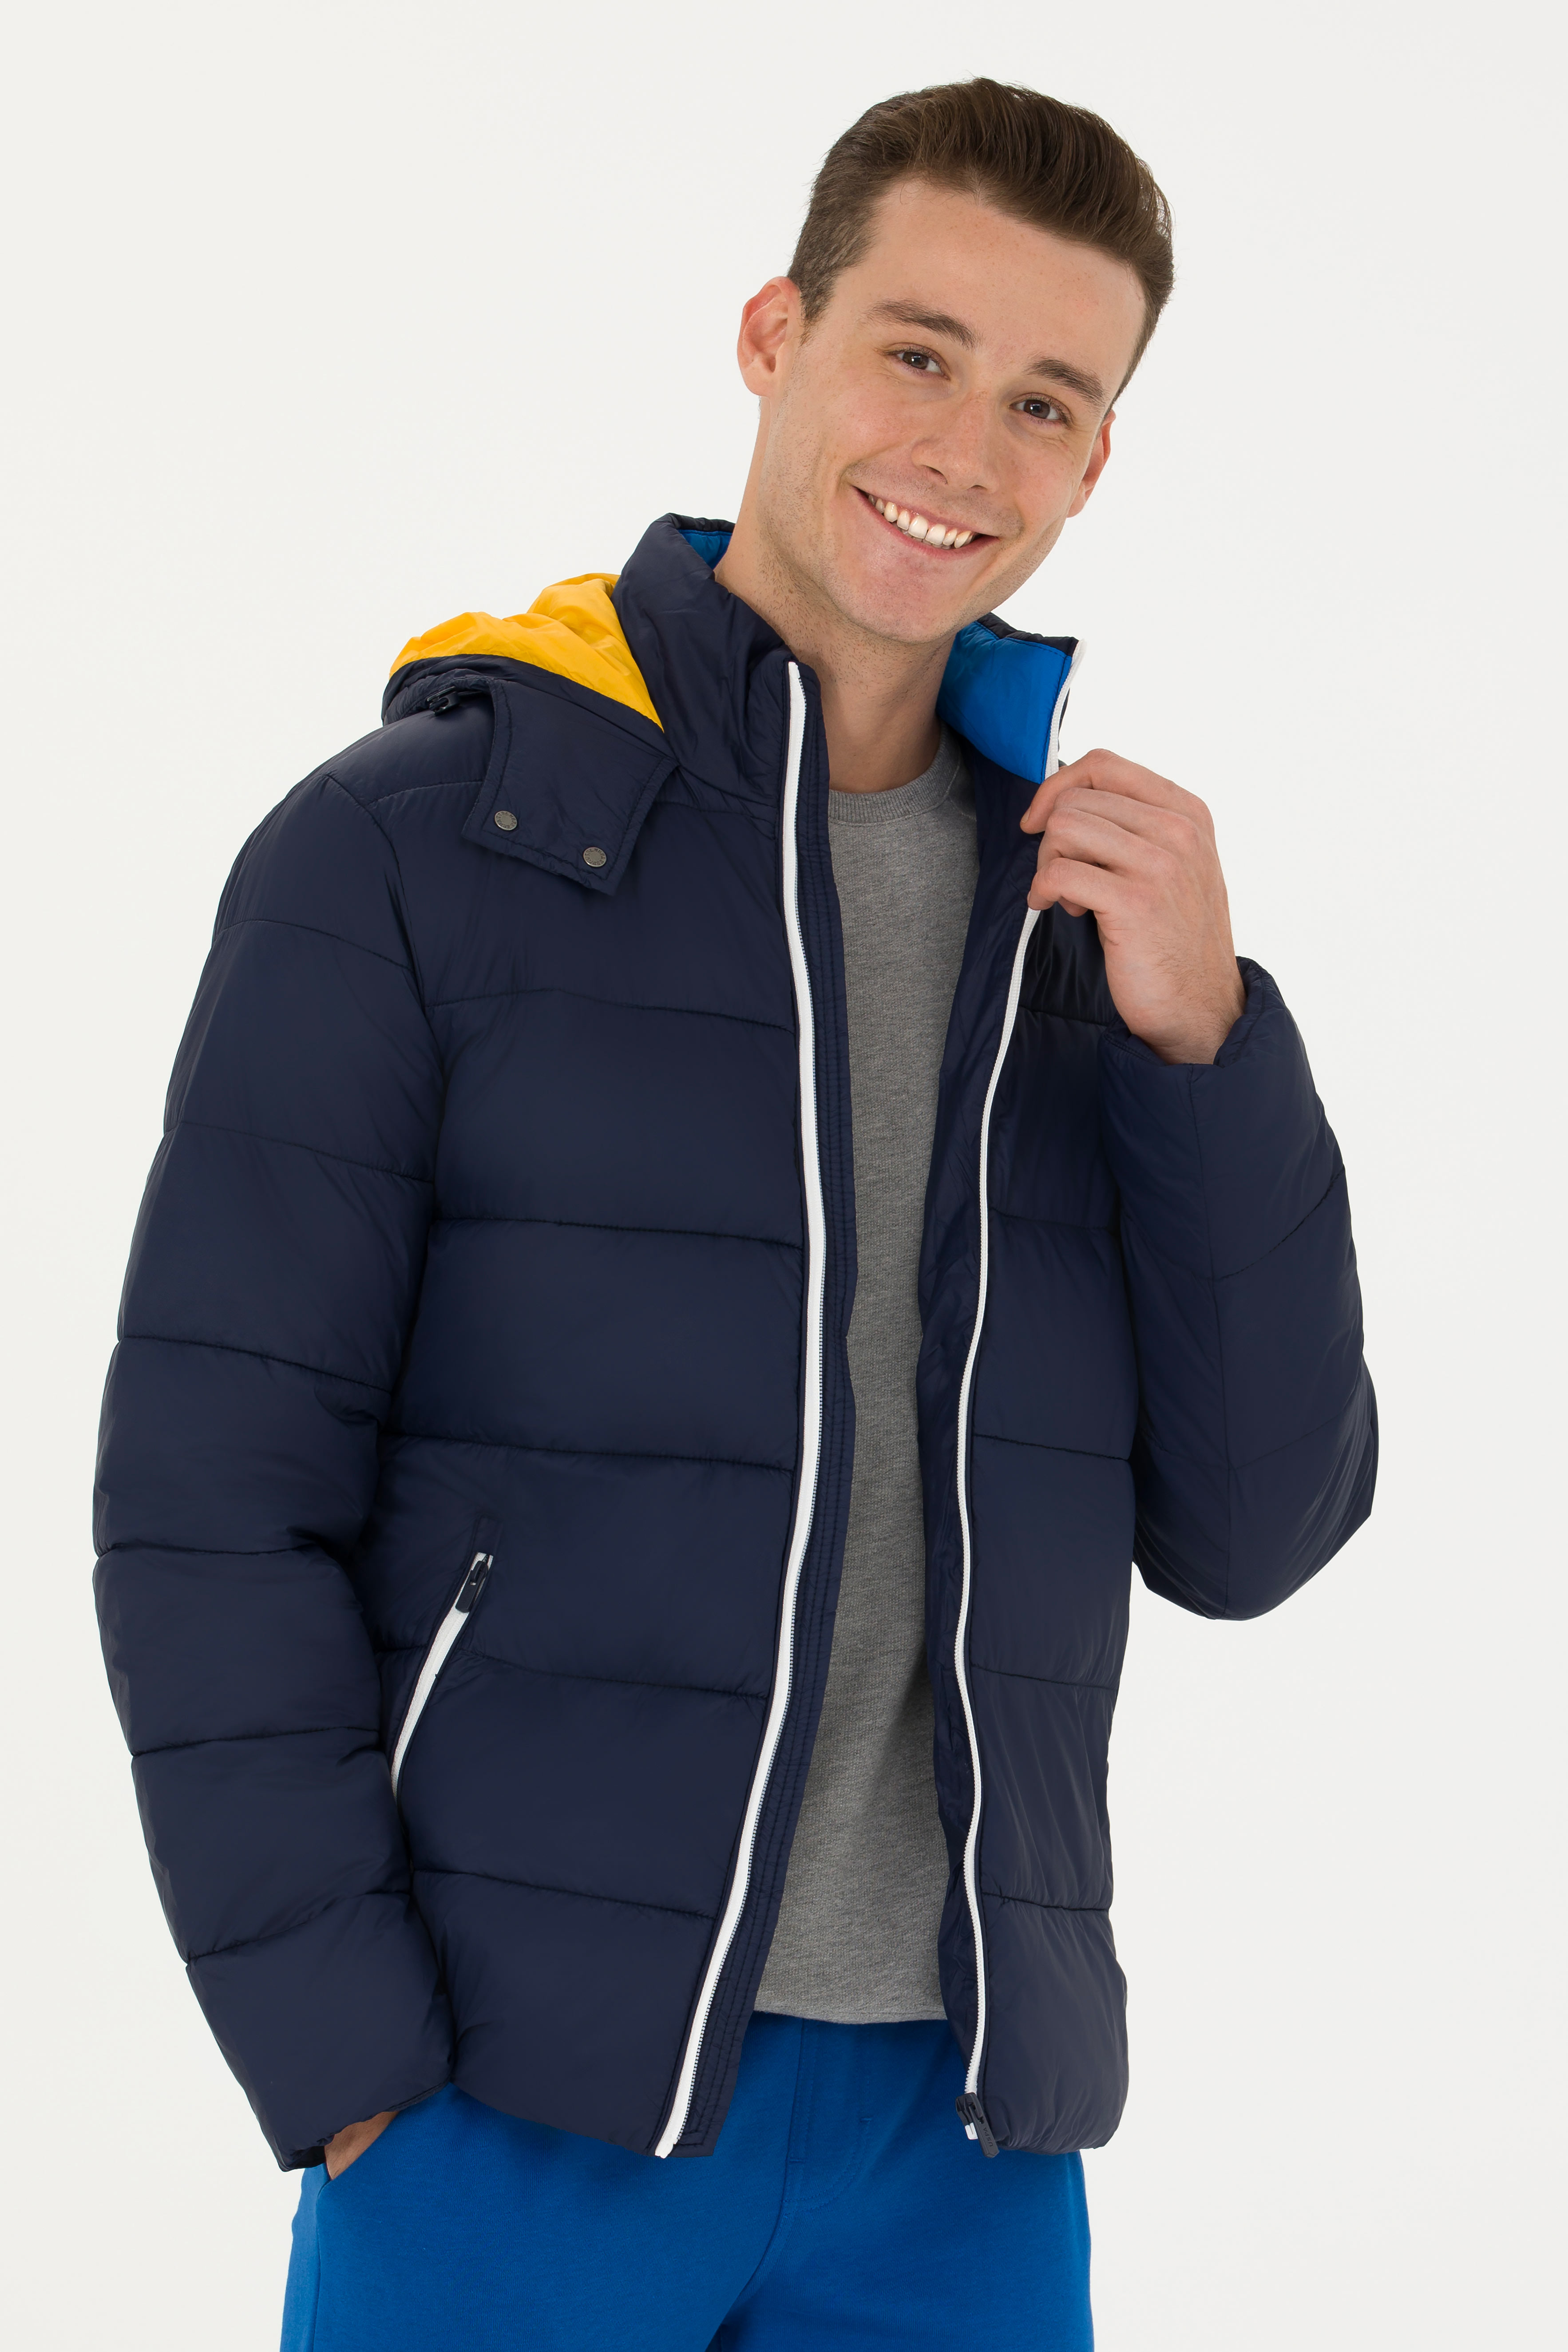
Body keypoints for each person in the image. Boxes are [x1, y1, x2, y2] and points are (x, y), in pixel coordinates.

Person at [94, 77, 1375, 2351]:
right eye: (916, 350)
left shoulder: (1086, 939)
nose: (964, 446)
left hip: (959, 2140)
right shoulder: (413, 850)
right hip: (510, 2103)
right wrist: (350, 2069)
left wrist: (1208, 1051)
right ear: (776, 333)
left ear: (1097, 461)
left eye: (1045, 398)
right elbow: (208, 1498)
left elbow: (1254, 1529)